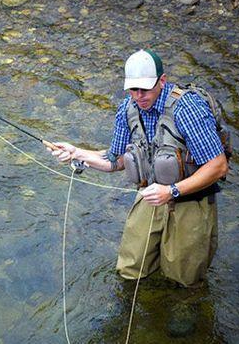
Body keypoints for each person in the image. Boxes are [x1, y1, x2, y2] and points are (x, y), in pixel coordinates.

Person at [45, 49, 228, 287]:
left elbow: (218, 166)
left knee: (184, 279)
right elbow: (116, 160)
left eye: (145, 89)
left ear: (161, 81)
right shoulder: (127, 108)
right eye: (133, 89)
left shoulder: (188, 109)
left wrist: (171, 191)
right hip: (151, 195)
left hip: (191, 200)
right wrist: (78, 153)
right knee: (130, 268)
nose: (139, 96)